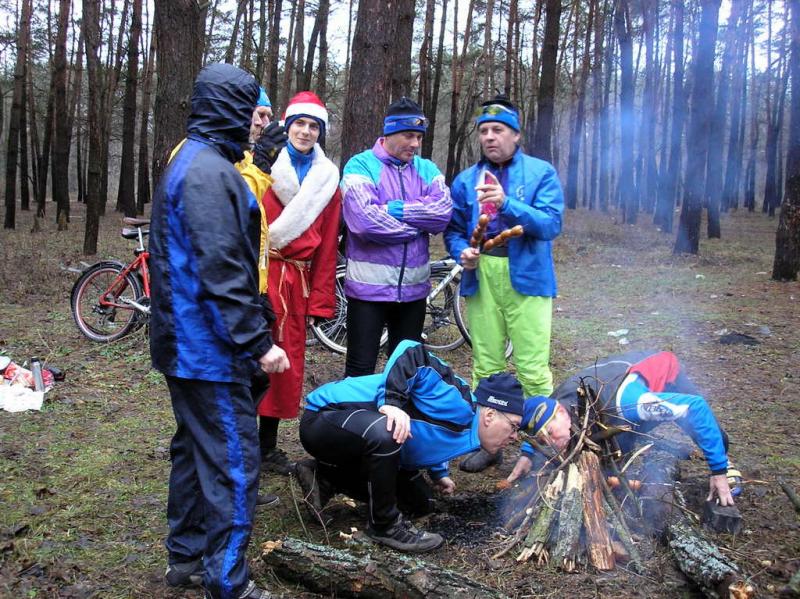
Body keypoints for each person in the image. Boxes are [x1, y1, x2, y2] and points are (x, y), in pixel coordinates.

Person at [149, 63, 289, 599]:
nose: (258, 123)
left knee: (193, 449)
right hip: (205, 347)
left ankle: (184, 559)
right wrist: (258, 342)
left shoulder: (192, 158)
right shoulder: (209, 173)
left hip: (183, 341)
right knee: (233, 460)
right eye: (253, 110)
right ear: (231, 109)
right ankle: (228, 582)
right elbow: (221, 268)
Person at [295, 340, 527, 553]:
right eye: (514, 427)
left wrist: (439, 474)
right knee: (388, 430)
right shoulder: (458, 399)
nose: (515, 437)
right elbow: (411, 350)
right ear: (490, 415)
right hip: (324, 417)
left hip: (355, 437)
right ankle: (383, 526)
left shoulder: (472, 432)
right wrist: (392, 402)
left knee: (419, 503)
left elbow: (432, 432)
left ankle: (324, 478)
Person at [444, 93, 564, 472]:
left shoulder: (540, 173)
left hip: (528, 277)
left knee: (532, 366)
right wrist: (462, 251)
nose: (490, 137)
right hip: (482, 278)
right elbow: (452, 230)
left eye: (498, 130)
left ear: (515, 134)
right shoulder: (465, 181)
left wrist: (507, 202)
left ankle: (540, 445)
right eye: (484, 131)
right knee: (486, 363)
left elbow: (550, 224)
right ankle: (490, 443)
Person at [508, 350, 742, 506]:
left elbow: (695, 408)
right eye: (543, 439)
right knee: (611, 450)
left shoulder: (631, 402)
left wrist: (718, 469)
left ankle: (725, 464)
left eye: (549, 434)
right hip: (613, 379)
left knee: (703, 430)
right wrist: (529, 454)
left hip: (660, 373)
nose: (549, 442)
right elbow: (536, 420)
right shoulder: (557, 402)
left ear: (561, 412)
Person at [257, 92, 342, 475]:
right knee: (251, 360)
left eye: (313, 126)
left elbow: (327, 248)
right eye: (299, 124)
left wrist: (321, 303)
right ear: (287, 125)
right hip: (262, 275)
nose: (306, 132)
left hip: (297, 282)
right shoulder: (263, 167)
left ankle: (267, 446)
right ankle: (243, 444)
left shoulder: (328, 180)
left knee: (283, 365)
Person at [340, 97, 452, 377]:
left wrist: (395, 209)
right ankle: (355, 420)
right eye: (408, 136)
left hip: (414, 292)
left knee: (405, 371)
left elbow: (442, 213)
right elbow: (363, 222)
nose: (415, 144)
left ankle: (399, 421)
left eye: (418, 137)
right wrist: (417, 226)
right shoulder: (360, 165)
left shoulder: (426, 169)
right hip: (368, 291)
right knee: (360, 370)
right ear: (388, 133)